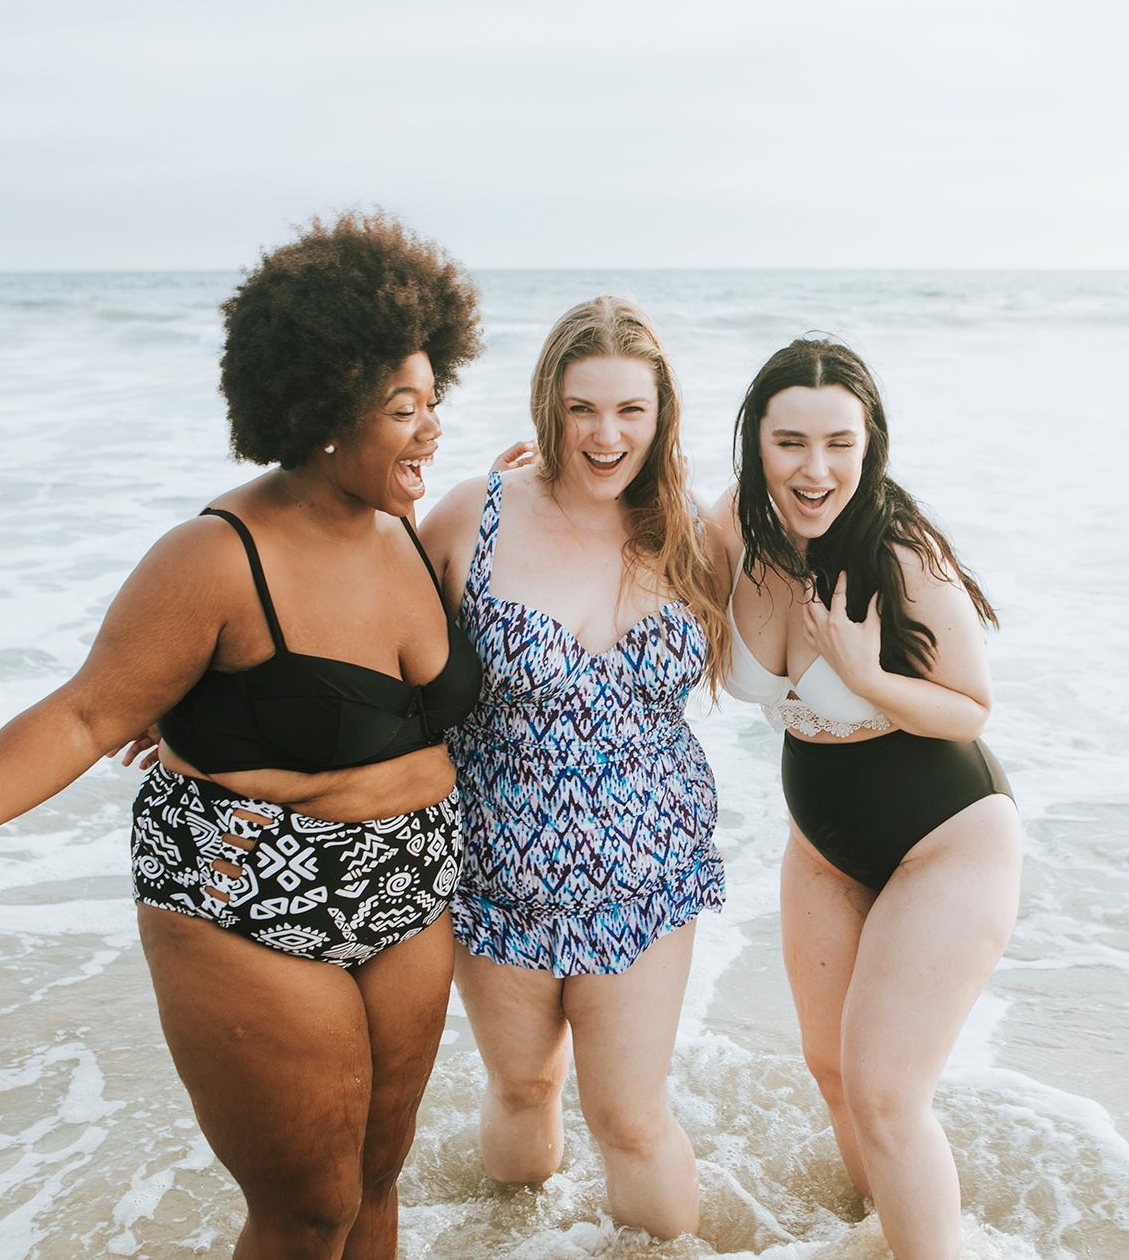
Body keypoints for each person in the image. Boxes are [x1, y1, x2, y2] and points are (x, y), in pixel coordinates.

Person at [0, 210, 485, 1260]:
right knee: (306, 1208)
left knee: (375, 1182)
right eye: (402, 409)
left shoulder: (411, 528)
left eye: (434, 400)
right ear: (324, 410)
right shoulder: (215, 556)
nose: (430, 430)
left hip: (411, 883)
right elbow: (85, 712)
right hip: (246, 892)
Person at [417, 296, 730, 1239]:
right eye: (581, 408)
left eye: (630, 410)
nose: (605, 435)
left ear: (661, 414)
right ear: (547, 403)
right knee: (522, 1085)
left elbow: (794, 639)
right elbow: (355, 631)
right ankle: (510, 1236)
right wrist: (192, 693)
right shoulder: (474, 516)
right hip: (497, 871)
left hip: (648, 874)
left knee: (629, 1116)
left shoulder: (694, 534)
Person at [710, 337, 1021, 1260]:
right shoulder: (732, 529)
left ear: (870, 442)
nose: (817, 468)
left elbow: (970, 707)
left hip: (946, 838)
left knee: (888, 1092)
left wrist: (862, 671)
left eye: (840, 442)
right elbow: (621, 543)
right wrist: (518, 488)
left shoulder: (898, 549)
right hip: (823, 842)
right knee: (835, 1071)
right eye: (792, 441)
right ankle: (879, 1240)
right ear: (755, 441)